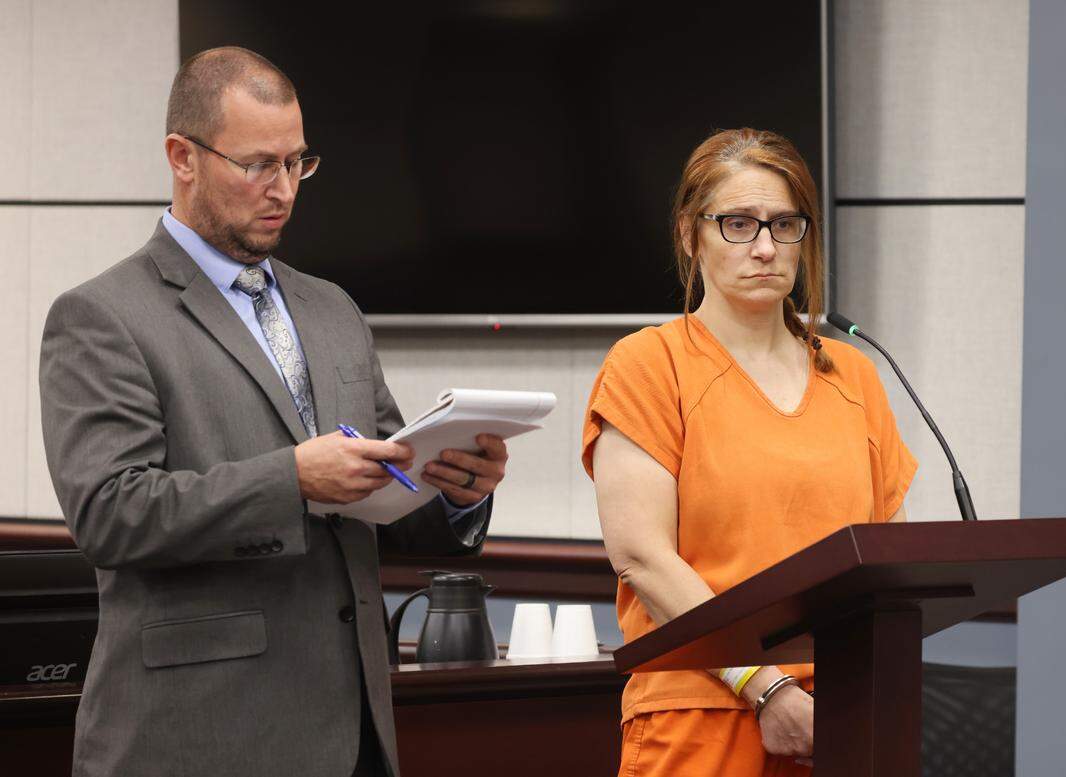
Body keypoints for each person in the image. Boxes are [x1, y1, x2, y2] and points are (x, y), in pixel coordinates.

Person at [39, 47, 509, 777]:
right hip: (199, 739)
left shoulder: (332, 309)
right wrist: (291, 478)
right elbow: (110, 512)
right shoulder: (103, 316)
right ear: (182, 157)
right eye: (259, 164)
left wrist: (454, 488)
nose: (283, 188)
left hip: (353, 732)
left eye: (297, 163)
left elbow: (378, 492)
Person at [582, 128, 917, 775]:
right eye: (738, 223)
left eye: (784, 224)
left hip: (839, 719)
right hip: (702, 710)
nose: (765, 246)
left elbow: (887, 561)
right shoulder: (650, 364)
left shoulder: (855, 375)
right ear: (690, 234)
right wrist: (765, 685)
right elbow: (643, 558)